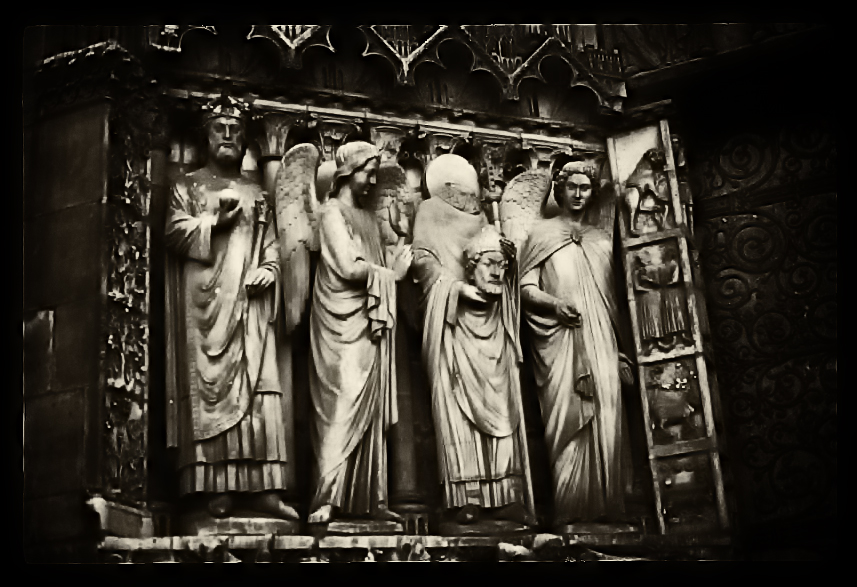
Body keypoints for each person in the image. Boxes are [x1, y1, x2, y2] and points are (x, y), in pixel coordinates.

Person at [164, 94, 298, 520]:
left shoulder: (257, 192)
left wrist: (270, 270)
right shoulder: (187, 186)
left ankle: (264, 489)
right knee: (210, 392)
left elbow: (273, 245)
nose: (228, 136)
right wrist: (214, 223)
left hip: (252, 307)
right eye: (220, 129)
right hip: (207, 307)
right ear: (205, 137)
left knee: (263, 387)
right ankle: (215, 486)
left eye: (236, 131)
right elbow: (173, 232)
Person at [412, 155, 534, 527]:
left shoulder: (485, 218)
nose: (469, 194)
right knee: (456, 409)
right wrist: (455, 288)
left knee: (504, 406)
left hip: (493, 325)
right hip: (452, 323)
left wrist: (506, 258)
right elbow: (421, 259)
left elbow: (503, 268)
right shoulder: (430, 212)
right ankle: (466, 496)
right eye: (462, 187)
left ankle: (506, 494)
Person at [519, 159, 635, 527]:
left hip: (601, 341)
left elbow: (613, 301)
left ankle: (610, 506)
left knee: (608, 416)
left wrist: (619, 349)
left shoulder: (601, 239)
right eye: (573, 187)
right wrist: (554, 304)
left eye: (586, 188)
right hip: (561, 340)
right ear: (560, 189)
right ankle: (572, 508)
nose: (579, 194)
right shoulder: (541, 234)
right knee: (565, 416)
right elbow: (525, 288)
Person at [307, 141, 413, 524]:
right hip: (339, 322)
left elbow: (379, 261)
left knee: (371, 406)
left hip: (368, 321)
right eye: (368, 172)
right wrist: (392, 276)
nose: (372, 180)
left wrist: (400, 239)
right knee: (341, 405)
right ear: (348, 172)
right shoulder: (331, 212)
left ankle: (372, 499)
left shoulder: (368, 218)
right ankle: (326, 497)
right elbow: (351, 268)